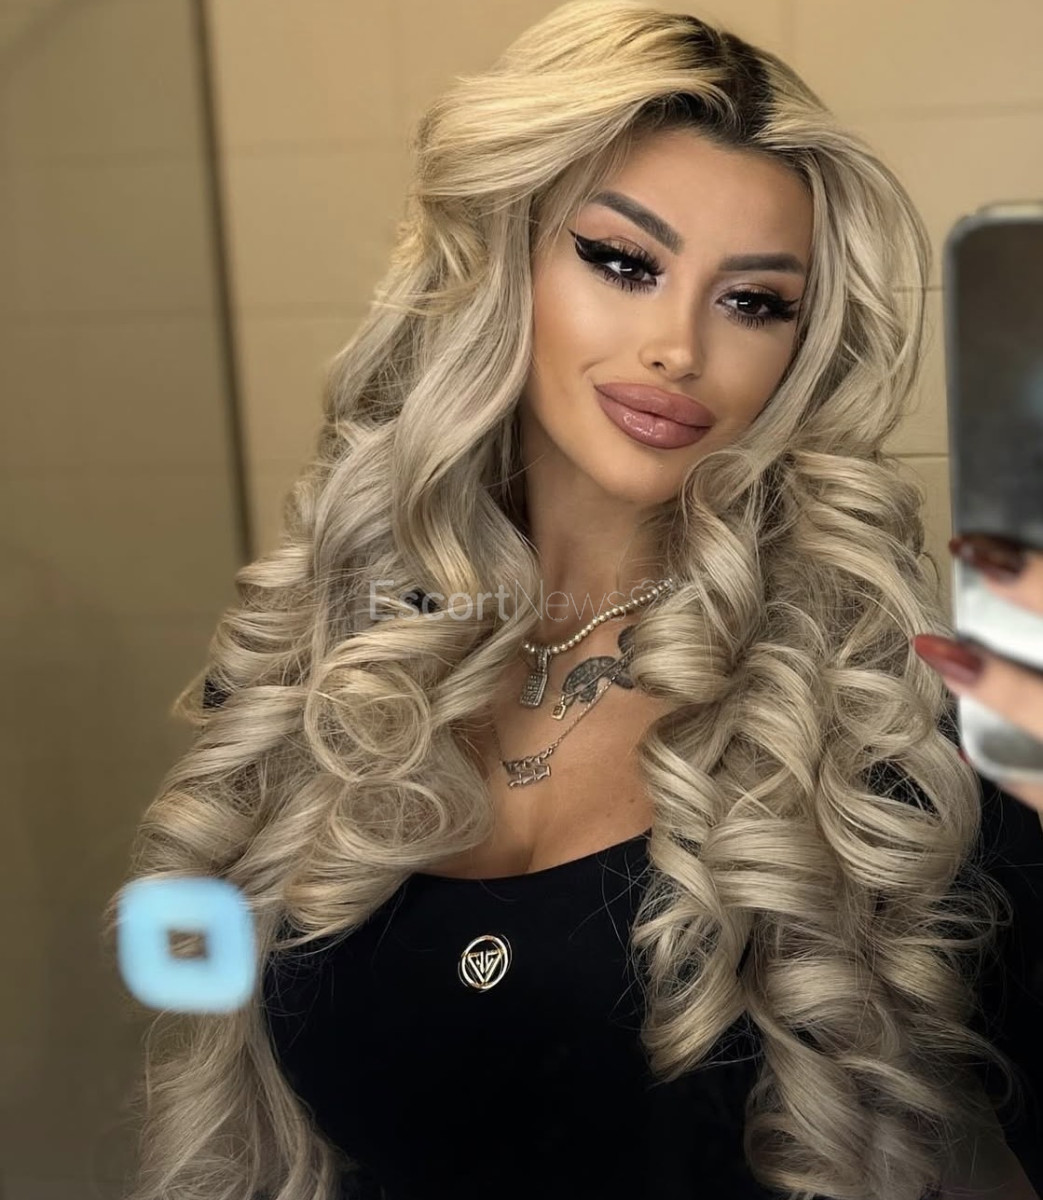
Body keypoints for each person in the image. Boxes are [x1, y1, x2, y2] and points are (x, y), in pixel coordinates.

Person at [109, 3, 1043, 1198]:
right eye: (621, 262)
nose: (677, 347)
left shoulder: (891, 719)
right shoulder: (329, 665)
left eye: (753, 301)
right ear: (500, 264)